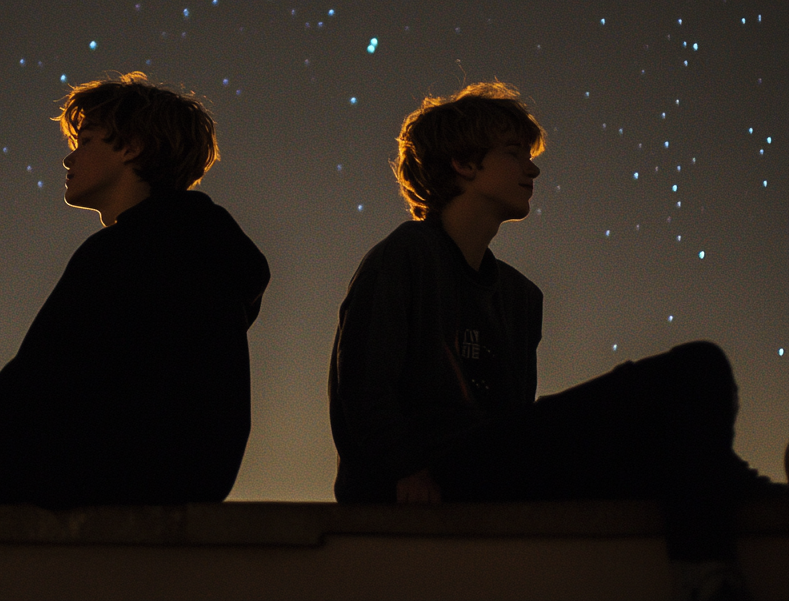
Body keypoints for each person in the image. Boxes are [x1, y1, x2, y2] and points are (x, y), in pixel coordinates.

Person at [328, 81, 785, 601]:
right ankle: (707, 567)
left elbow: (513, 417)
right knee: (696, 368)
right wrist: (405, 466)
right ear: (464, 163)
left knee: (661, 440)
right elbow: (360, 385)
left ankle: (733, 503)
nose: (532, 168)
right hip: (431, 475)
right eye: (513, 154)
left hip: (490, 464)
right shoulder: (404, 256)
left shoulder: (520, 298)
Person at [0, 73, 270, 508]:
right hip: (197, 478)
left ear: (131, 148)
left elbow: (35, 377)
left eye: (87, 141)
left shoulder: (122, 250)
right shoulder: (213, 255)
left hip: (115, 474)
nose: (69, 159)